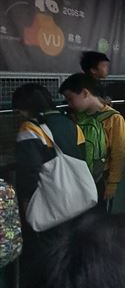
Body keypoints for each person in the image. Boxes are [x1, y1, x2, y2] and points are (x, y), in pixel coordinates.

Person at [12, 84, 85, 230]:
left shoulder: (30, 128)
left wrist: (26, 200)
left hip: (50, 203)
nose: (18, 113)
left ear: (26, 107)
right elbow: (83, 156)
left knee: (52, 240)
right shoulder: (71, 124)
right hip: (77, 198)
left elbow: (29, 170)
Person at [59, 74, 125, 205]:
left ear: (85, 93)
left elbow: (119, 153)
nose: (69, 104)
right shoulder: (74, 116)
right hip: (76, 178)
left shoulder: (114, 118)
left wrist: (113, 183)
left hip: (101, 180)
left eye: (70, 98)